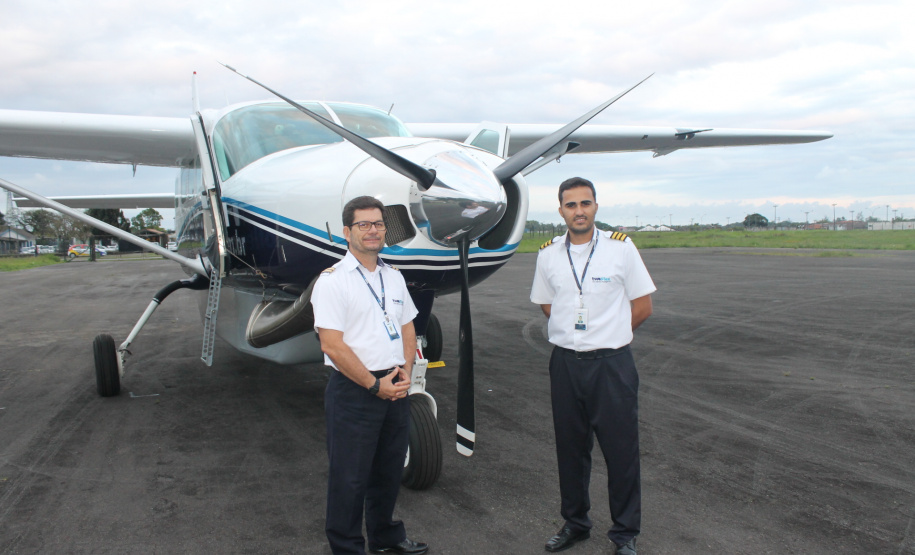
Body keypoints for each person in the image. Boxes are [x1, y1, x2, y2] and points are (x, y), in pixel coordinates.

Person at [530, 177, 656, 555]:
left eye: (585, 203)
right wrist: (575, 334)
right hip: (566, 364)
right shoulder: (548, 253)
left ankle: (625, 534)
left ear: (596, 207)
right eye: (571, 205)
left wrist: (610, 334)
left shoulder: (621, 249)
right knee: (570, 450)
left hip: (611, 365)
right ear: (561, 211)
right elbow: (547, 304)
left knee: (620, 452)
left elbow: (643, 305)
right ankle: (576, 523)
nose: (579, 211)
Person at [311, 196, 429, 555]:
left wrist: (405, 374)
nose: (373, 230)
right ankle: (348, 548)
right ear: (347, 232)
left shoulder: (394, 278)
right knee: (350, 477)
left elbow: (408, 327)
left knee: (387, 472)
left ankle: (385, 537)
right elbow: (332, 345)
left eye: (378, 223)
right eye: (364, 224)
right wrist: (373, 384)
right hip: (355, 389)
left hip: (395, 384)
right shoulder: (332, 282)